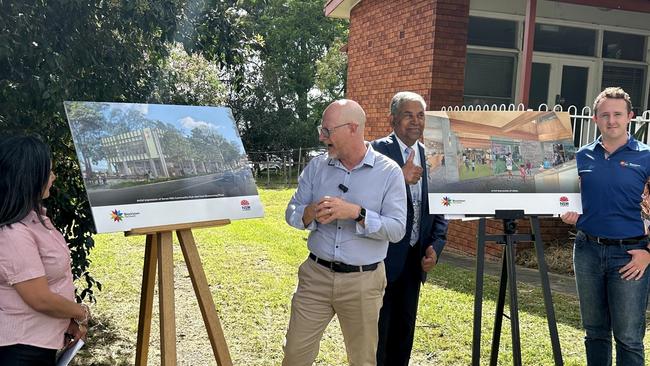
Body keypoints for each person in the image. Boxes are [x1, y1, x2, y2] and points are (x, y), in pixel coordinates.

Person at [283, 99, 407, 365]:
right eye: (321, 129)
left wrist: (357, 213)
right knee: (295, 354)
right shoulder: (317, 167)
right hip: (315, 277)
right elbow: (291, 210)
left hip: (363, 282)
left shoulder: (389, 173)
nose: (321, 136)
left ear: (352, 128)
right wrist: (309, 212)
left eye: (327, 130)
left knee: (362, 360)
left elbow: (397, 229)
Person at [561, 87, 650, 366]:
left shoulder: (646, 157)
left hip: (631, 255)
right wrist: (567, 213)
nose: (611, 120)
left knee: (628, 338)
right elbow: (567, 199)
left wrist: (648, 252)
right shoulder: (579, 157)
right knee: (595, 332)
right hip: (587, 250)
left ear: (630, 117)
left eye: (618, 114)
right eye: (605, 115)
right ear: (595, 119)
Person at [371, 91, 448, 366]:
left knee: (404, 333)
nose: (416, 122)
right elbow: (364, 199)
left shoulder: (432, 157)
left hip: (415, 260)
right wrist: (399, 178)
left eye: (420, 115)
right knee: (376, 334)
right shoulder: (376, 152)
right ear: (392, 119)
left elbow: (441, 208)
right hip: (381, 259)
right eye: (408, 115)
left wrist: (436, 246)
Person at [0, 135, 90, 365]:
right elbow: (40, 298)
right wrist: (81, 313)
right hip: (20, 349)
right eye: (48, 172)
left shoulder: (34, 219)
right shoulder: (12, 232)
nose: (53, 177)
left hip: (40, 343)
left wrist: (67, 321)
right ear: (30, 177)